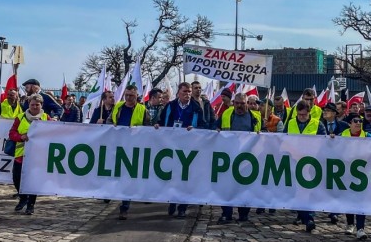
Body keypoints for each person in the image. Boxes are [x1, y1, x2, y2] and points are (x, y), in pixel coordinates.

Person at [155, 82, 204, 218]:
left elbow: (203, 125)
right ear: (178, 93)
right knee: (173, 176)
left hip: (189, 148)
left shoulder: (196, 108)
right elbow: (161, 120)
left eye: (189, 92)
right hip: (171, 146)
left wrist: (195, 130)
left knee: (185, 178)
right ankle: (172, 201)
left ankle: (182, 207)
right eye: (185, 92)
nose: (188, 94)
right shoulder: (170, 106)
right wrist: (158, 125)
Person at [216, 93, 261, 224]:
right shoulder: (226, 114)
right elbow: (215, 127)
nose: (240, 106)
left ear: (247, 103)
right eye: (237, 103)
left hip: (247, 157)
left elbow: (263, 135)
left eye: (242, 103)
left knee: (245, 187)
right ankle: (227, 213)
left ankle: (243, 213)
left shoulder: (255, 118)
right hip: (229, 156)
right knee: (227, 186)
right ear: (233, 103)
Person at [111, 85, 152, 219]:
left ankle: (124, 207)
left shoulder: (142, 109)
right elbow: (109, 122)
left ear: (136, 96)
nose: (128, 98)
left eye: (131, 96)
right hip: (118, 146)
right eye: (126, 95)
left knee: (128, 178)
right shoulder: (118, 107)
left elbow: (148, 127)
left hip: (134, 148)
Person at [334, 113, 371, 239]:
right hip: (346, 172)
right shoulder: (342, 135)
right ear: (349, 123)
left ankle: (360, 228)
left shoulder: (367, 136)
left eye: (360, 121)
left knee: (361, 200)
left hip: (362, 173)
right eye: (355, 121)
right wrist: (330, 139)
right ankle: (350, 224)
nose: (358, 123)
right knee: (349, 199)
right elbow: (331, 146)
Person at [9, 94, 49, 215]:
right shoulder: (20, 117)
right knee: (17, 178)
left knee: (33, 181)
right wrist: (21, 137)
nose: (35, 107)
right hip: (21, 155)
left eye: (37, 104)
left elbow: (54, 133)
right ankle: (23, 198)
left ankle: (31, 205)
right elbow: (11, 134)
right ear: (28, 105)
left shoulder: (47, 118)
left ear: (41, 105)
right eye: (32, 104)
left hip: (38, 156)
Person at [285, 101, 322, 232]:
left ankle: (309, 218)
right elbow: (282, 139)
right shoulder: (290, 123)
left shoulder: (318, 124)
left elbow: (325, 142)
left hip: (312, 162)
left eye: (304, 115)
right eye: (299, 115)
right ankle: (304, 216)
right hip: (294, 160)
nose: (301, 117)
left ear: (309, 113)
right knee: (298, 191)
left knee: (308, 190)